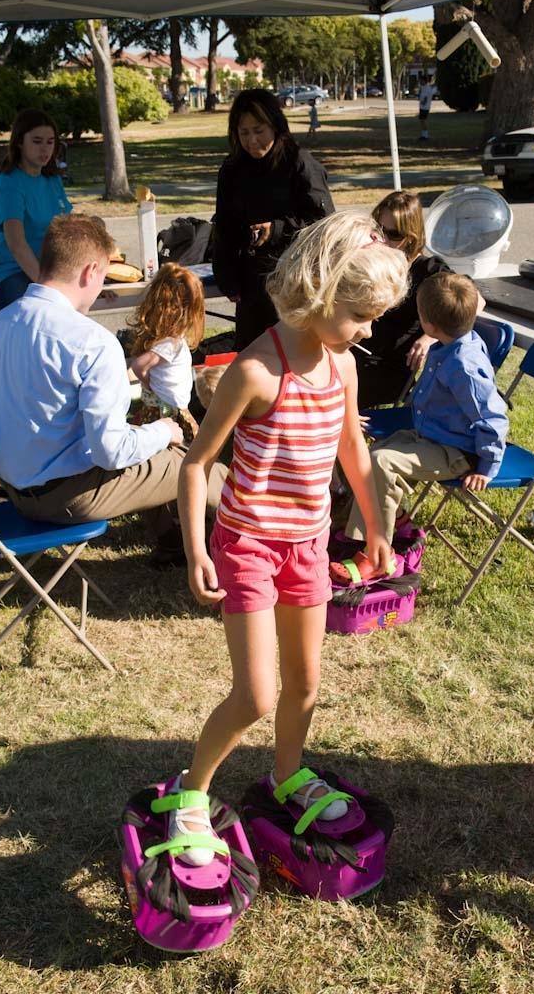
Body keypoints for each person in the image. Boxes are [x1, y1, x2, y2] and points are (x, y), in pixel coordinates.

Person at [171, 211, 409, 866]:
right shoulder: (256, 372)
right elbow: (196, 464)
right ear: (321, 295)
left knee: (304, 684)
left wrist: (376, 527)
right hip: (248, 543)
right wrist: (196, 548)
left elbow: (354, 450)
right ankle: (192, 793)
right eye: (360, 317)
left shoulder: (342, 366)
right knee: (256, 695)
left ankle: (288, 774)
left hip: (308, 545)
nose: (368, 331)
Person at [0, 215, 227, 550]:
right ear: (90, 271)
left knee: (148, 447)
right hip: (68, 496)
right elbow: (112, 452)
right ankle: (261, 540)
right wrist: (165, 431)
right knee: (194, 462)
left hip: (17, 493)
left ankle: (172, 540)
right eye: (104, 276)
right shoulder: (91, 342)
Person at [345, 273, 509, 545]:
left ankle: (374, 548)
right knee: (370, 453)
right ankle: (390, 521)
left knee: (381, 461)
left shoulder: (464, 366)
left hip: (457, 452)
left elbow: (492, 418)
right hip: (431, 435)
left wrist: (486, 468)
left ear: (429, 325)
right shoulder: (448, 345)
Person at [212, 88, 335, 352]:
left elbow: (324, 222)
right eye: (244, 133)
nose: (252, 141)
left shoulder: (299, 163)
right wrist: (227, 277)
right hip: (252, 284)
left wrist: (277, 229)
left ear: (275, 126)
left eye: (259, 131)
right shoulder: (232, 168)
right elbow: (224, 225)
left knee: (292, 357)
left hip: (295, 282)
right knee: (253, 356)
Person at [353, 190, 451, 408]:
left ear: (411, 237)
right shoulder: (375, 259)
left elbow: (474, 301)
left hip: (387, 368)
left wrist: (430, 337)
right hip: (358, 351)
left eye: (394, 234)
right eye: (379, 230)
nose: (383, 239)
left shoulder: (428, 270)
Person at [0, 109, 73, 310]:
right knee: (36, 314)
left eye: (50, 142)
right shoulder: (10, 183)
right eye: (36, 141)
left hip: (51, 272)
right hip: (14, 273)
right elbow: (17, 245)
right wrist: (47, 288)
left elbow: (68, 229)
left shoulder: (52, 180)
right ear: (19, 142)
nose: (44, 149)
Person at [128, 262, 205, 442]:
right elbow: (138, 366)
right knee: (178, 445)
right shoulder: (170, 344)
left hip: (166, 404)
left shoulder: (167, 339)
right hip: (168, 408)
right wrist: (149, 384)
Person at [417, 74, 436, 142]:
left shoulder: (427, 88)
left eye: (421, 80)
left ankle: (425, 135)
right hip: (422, 107)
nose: (420, 82)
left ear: (424, 81)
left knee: (423, 121)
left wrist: (422, 102)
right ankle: (423, 135)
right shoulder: (423, 87)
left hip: (425, 108)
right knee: (422, 121)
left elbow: (425, 98)